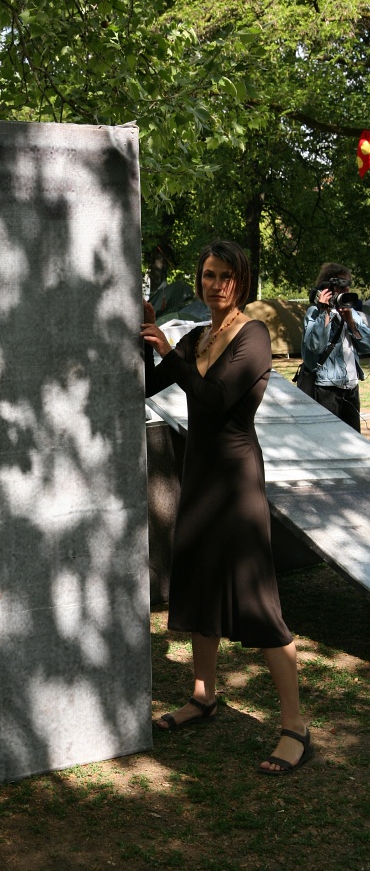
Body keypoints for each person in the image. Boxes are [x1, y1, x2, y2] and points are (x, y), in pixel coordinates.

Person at [141, 240, 312, 775]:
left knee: (257, 601)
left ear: (242, 281)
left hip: (236, 481)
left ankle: (295, 727)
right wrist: (146, 337)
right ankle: (203, 695)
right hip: (199, 477)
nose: (216, 285)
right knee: (198, 583)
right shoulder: (197, 336)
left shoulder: (253, 336)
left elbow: (214, 400)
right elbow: (147, 384)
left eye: (226, 276)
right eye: (209, 275)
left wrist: (170, 354)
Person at [301, 263, 370, 432]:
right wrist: (325, 313)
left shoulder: (352, 313)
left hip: (351, 388)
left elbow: (367, 345)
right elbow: (315, 346)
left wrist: (351, 322)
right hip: (326, 389)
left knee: (352, 439)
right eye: (341, 286)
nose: (346, 290)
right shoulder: (314, 312)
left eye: (347, 285)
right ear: (328, 288)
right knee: (327, 437)